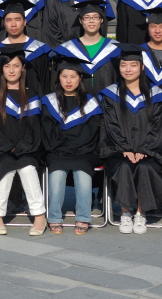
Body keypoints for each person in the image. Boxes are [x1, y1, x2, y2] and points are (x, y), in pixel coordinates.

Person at [99, 43, 162, 235]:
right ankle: (125, 213)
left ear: (142, 67)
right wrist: (124, 148)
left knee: (144, 167)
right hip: (118, 150)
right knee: (124, 166)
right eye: (123, 65)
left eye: (133, 65)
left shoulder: (156, 95)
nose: (128, 69)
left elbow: (159, 127)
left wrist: (143, 150)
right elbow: (110, 125)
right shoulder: (110, 95)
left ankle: (140, 213)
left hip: (151, 151)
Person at [0, 47, 46, 236]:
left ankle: (39, 214)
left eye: (16, 66)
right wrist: (7, 147)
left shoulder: (32, 96)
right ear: (1, 69)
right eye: (7, 66)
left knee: (28, 168)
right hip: (1, 150)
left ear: (23, 68)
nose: (11, 70)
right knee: (6, 167)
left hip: (26, 150)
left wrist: (22, 147)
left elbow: (35, 129)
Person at [41, 56, 103, 235]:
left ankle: (83, 217)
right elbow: (48, 130)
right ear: (59, 78)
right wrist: (63, 147)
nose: (68, 81)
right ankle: (54, 217)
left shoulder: (90, 102)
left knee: (82, 171)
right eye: (64, 76)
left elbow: (91, 132)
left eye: (73, 76)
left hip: (84, 151)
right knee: (57, 172)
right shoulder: (49, 101)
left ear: (80, 78)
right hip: (57, 150)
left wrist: (74, 147)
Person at [52, 0, 120, 94]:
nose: (91, 20)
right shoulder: (66, 50)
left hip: (108, 101)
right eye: (87, 17)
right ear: (81, 21)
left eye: (95, 17)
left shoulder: (115, 49)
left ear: (101, 20)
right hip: (78, 100)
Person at [0, 0, 52, 96]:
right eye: (9, 20)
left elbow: (46, 84)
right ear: (4, 23)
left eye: (17, 19)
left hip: (33, 102)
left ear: (25, 22)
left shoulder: (39, 50)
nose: (13, 24)